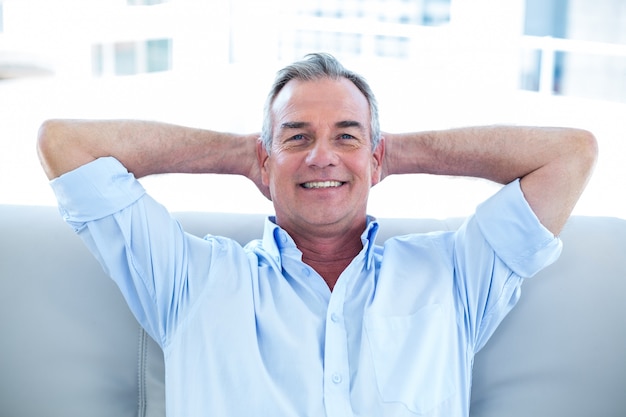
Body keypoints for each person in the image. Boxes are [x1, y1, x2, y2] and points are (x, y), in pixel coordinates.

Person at [37, 53, 597, 416]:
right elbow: (64, 143)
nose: (322, 156)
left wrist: (388, 154)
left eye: (346, 137)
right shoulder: (192, 280)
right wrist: (247, 155)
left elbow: (569, 155)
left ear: (377, 157)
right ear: (265, 158)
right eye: (298, 137)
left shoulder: (454, 273)